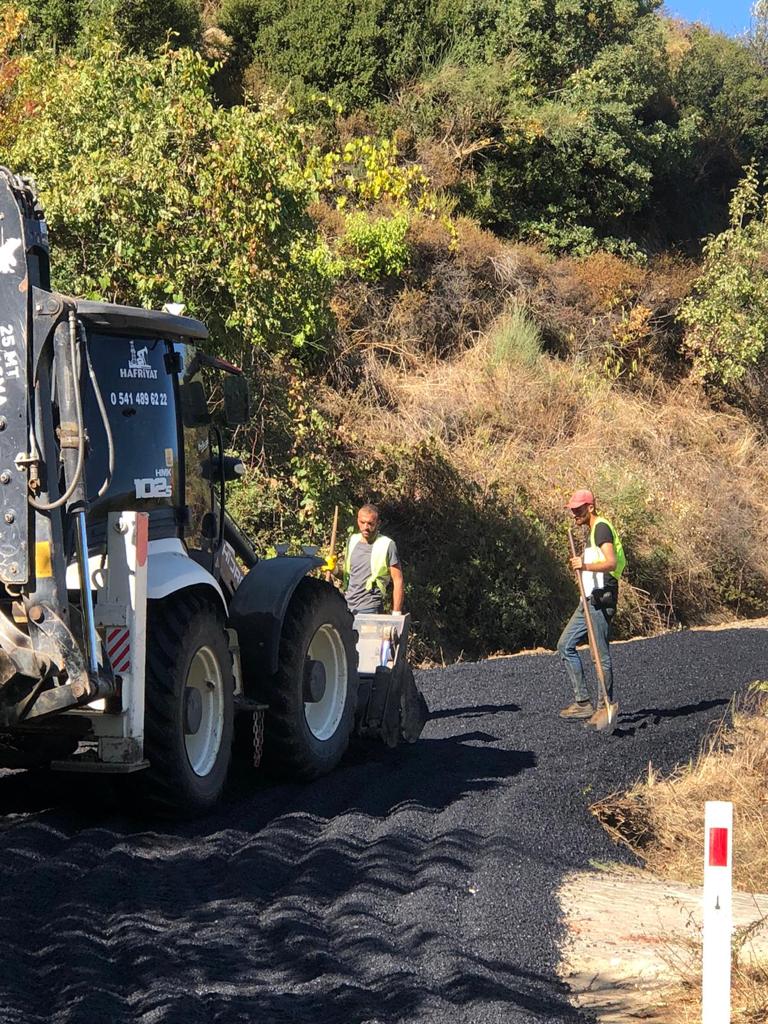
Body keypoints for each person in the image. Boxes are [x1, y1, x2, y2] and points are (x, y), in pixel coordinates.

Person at [557, 489, 626, 724]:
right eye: (572, 510)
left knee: (599, 654)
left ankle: (603, 706)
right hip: (587, 599)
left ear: (590, 508)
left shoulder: (602, 528)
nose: (574, 514)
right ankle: (583, 702)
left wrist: (583, 565)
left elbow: (611, 562)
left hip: (600, 598)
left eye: (578, 509)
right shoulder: (592, 530)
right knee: (565, 645)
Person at [342, 503, 404, 615]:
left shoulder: (387, 545)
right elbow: (352, 575)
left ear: (378, 523)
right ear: (357, 521)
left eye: (370, 523)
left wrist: (396, 613)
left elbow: (398, 580)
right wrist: (334, 570)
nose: (366, 527)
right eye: (362, 522)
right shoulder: (352, 540)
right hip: (348, 606)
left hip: (370, 608)